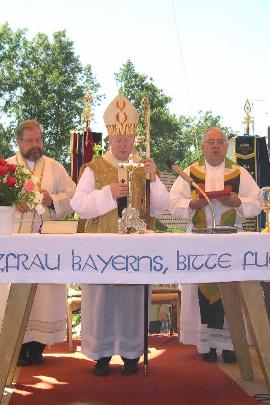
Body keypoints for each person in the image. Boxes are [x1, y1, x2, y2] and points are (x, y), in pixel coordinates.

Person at [70, 93, 169, 376]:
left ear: (134, 138)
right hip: (102, 245)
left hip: (136, 247)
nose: (123, 145)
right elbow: (78, 205)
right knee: (102, 300)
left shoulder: (144, 166)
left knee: (131, 301)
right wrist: (107, 194)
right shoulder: (94, 168)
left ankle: (131, 353)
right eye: (118, 140)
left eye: (128, 139)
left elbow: (162, 207)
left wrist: (154, 178)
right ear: (110, 140)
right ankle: (101, 354)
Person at [169, 127, 261, 363]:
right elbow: (173, 203)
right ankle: (207, 346)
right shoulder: (190, 172)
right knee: (204, 294)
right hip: (199, 241)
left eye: (220, 141)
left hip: (230, 242)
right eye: (211, 141)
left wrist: (237, 201)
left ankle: (231, 346)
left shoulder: (239, 173)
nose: (216, 145)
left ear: (226, 146)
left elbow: (259, 202)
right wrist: (192, 205)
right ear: (202, 146)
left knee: (231, 292)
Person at [0, 119, 76, 366]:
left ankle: (38, 347)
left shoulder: (54, 167)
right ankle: (15, 347)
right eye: (30, 140)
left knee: (44, 294)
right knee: (12, 292)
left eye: (38, 139)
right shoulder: (6, 167)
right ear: (18, 141)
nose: (35, 144)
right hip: (13, 244)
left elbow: (73, 195)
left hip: (45, 243)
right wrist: (11, 204)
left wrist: (53, 200)